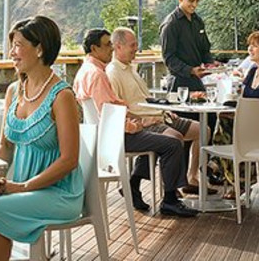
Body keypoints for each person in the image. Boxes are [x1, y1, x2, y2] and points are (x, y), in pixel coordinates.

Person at [0, 16, 83, 261]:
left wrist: (22, 187)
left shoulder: (62, 96)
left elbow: (69, 160)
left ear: (40, 48)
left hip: (58, 193)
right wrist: (0, 181)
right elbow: (5, 146)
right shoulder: (14, 91)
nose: (11, 52)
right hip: (18, 187)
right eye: (11, 45)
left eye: (18, 45)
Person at [74, 28, 199, 216]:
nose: (111, 49)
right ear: (94, 48)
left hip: (105, 136)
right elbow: (108, 115)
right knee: (172, 143)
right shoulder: (99, 75)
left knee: (163, 138)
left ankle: (139, 186)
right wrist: (137, 125)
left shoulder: (85, 71)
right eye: (108, 45)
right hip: (115, 137)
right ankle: (170, 200)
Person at [106, 27, 208, 205]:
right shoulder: (113, 73)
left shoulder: (131, 69)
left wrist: (165, 109)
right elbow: (117, 109)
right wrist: (144, 121)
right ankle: (169, 192)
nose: (136, 48)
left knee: (202, 130)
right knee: (174, 139)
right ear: (118, 47)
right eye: (133, 45)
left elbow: (146, 98)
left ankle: (191, 177)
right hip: (143, 121)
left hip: (160, 116)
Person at [215, 31, 259, 198]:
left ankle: (222, 168)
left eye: (255, 45)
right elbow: (242, 99)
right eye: (250, 45)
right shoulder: (253, 70)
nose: (250, 49)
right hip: (250, 124)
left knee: (226, 124)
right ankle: (239, 178)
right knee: (221, 118)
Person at [159, 0, 217, 94]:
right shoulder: (171, 24)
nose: (194, 5)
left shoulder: (198, 21)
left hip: (196, 81)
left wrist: (210, 64)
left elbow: (204, 49)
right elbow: (169, 58)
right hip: (178, 83)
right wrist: (190, 70)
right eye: (191, 0)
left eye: (197, 1)